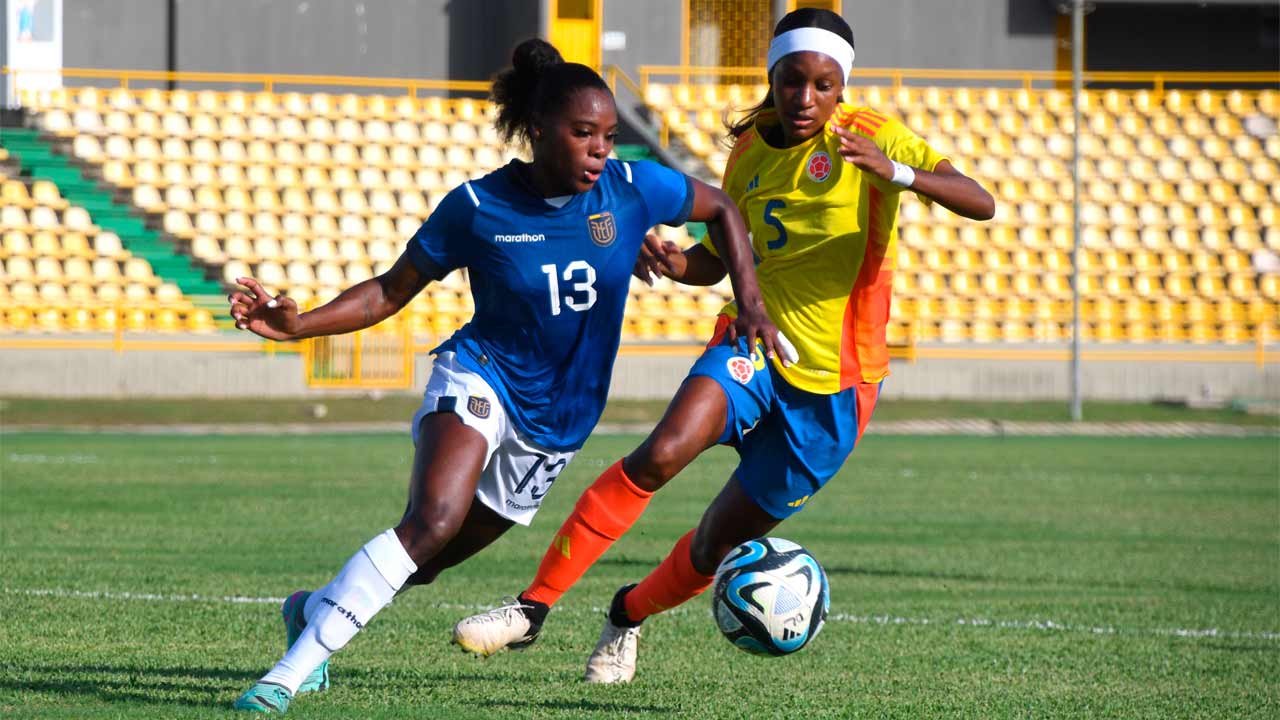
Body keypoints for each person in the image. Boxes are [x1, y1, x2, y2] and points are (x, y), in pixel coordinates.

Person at [227, 38, 785, 714]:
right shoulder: (476, 206)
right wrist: (299, 324)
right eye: (584, 134)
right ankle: (288, 675)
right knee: (430, 521)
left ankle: (312, 610)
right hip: (481, 377)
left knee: (427, 561)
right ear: (540, 130)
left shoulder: (633, 189)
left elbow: (723, 210)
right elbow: (389, 290)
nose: (601, 149)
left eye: (608, 135)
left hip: (560, 424)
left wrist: (747, 299)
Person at [451, 8, 995, 684]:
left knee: (715, 541)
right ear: (772, 75)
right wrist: (677, 262)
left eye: (824, 86)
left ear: (841, 88)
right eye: (793, 81)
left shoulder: (872, 138)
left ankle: (627, 615)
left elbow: (980, 201)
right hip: (752, 345)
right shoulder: (749, 150)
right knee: (660, 454)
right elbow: (722, 254)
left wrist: (901, 173)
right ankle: (531, 610)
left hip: (837, 391)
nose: (805, 99)